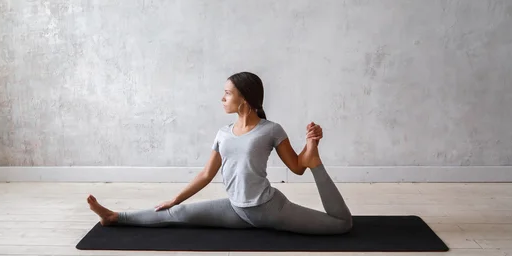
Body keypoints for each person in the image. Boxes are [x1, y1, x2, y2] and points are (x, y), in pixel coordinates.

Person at [87, 72, 353, 235]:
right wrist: (175, 199)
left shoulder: (271, 130)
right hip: (236, 210)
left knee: (342, 225)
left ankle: (316, 161)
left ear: (245, 99)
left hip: (270, 210)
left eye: (227, 93)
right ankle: (114, 217)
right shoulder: (223, 133)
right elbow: (206, 174)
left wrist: (308, 156)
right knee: (176, 214)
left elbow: (296, 167)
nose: (222, 98)